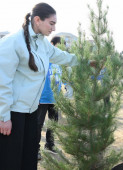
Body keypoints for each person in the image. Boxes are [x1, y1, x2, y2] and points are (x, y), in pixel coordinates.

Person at [0, 3, 82, 170]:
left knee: (29, 159)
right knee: (11, 161)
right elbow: (3, 83)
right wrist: (4, 117)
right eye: (51, 23)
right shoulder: (12, 42)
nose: (54, 28)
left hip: (31, 112)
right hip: (13, 114)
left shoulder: (43, 43)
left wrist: (87, 61)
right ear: (37, 20)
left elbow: (64, 57)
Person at [37, 36, 64, 160]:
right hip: (42, 99)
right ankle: (35, 148)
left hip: (55, 99)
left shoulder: (59, 62)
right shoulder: (44, 58)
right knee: (38, 125)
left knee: (53, 124)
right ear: (52, 44)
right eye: (59, 46)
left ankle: (49, 144)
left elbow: (63, 79)